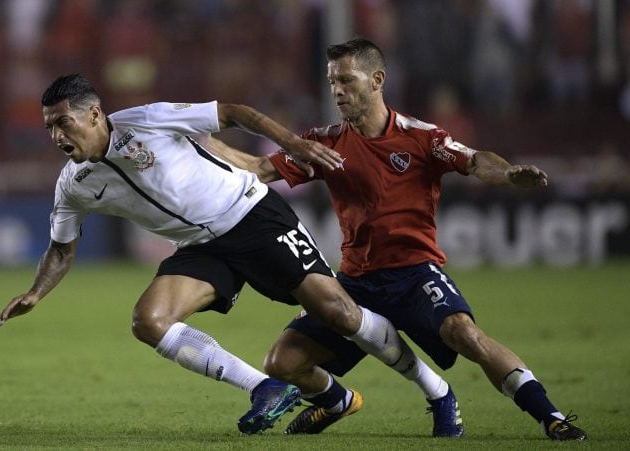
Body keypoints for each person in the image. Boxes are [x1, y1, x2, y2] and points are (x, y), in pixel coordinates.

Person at [0, 73, 458, 435]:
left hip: (252, 215)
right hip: (200, 246)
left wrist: (293, 144)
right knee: (148, 321)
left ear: (94, 114)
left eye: (62, 122)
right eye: (49, 126)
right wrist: (36, 293)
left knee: (339, 312)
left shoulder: (147, 119)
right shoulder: (72, 185)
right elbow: (61, 247)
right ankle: (270, 389)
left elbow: (234, 112)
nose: (55, 135)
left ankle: (436, 391)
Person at [208, 38, 587, 441]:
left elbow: (476, 161)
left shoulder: (421, 137)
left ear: (377, 80)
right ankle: (337, 402)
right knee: (281, 363)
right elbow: (259, 169)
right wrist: (198, 140)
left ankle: (552, 417)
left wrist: (509, 174)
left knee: (465, 334)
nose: (337, 90)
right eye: (332, 81)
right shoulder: (325, 142)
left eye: (346, 80)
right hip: (355, 284)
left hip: (414, 276)